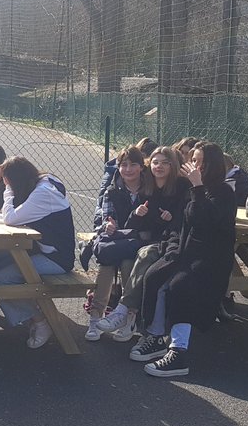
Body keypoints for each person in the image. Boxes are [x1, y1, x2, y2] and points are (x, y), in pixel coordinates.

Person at [135, 143, 237, 377]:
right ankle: (156, 336)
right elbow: (179, 226)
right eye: (193, 160)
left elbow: (206, 221)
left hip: (210, 258)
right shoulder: (190, 191)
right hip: (185, 253)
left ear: (212, 164)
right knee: (154, 277)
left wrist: (198, 186)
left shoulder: (222, 192)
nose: (194, 166)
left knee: (179, 287)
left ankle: (178, 353)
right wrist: (170, 249)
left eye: (200, 161)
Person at [96, 146, 192, 341]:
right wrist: (136, 214)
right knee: (125, 262)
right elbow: (134, 226)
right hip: (148, 240)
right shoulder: (147, 188)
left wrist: (170, 219)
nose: (159, 166)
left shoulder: (182, 187)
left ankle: (123, 310)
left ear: (173, 165)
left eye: (165, 162)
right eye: (156, 162)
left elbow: (185, 220)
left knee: (144, 255)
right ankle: (124, 317)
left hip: (170, 243)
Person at [0, 157, 75, 349]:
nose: (6, 185)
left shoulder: (43, 192)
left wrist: (7, 191)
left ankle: (40, 321)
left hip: (56, 259)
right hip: (45, 251)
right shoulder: (43, 182)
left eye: (7, 181)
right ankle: (34, 315)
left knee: (0, 279)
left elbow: (10, 218)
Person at [84, 146, 148, 341]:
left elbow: (151, 224)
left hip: (137, 244)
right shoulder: (112, 191)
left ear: (141, 167)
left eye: (133, 165)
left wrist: (135, 219)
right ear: (118, 167)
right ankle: (96, 317)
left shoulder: (150, 190)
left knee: (129, 266)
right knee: (106, 267)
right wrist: (107, 226)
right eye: (124, 165)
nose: (128, 169)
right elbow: (105, 220)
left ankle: (128, 317)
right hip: (117, 242)